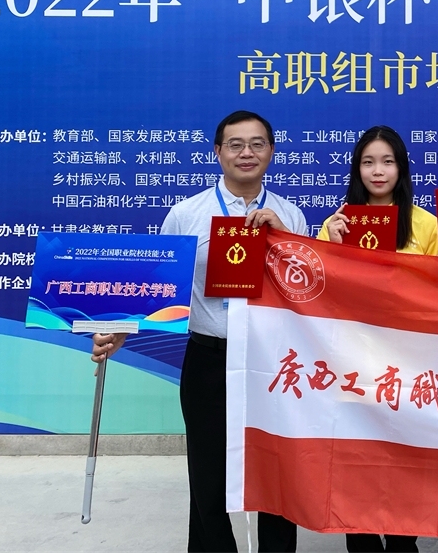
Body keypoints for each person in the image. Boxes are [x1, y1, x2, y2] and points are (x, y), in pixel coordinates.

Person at [92, 111, 307, 553]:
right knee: (208, 475)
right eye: (235, 144)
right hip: (211, 358)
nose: (246, 153)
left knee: (277, 472)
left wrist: (284, 238)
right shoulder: (187, 214)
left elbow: (306, 291)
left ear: (271, 151)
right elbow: (158, 286)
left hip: (273, 362)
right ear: (217, 152)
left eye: (257, 143)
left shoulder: (291, 214)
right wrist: (121, 332)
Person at [318, 125, 438, 553]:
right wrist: (334, 248)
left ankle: (404, 542)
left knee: (405, 461)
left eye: (387, 161)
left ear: (401, 168)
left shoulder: (426, 224)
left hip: (409, 364)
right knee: (358, 462)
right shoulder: (337, 222)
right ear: (357, 169)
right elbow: (320, 295)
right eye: (368, 162)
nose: (378, 171)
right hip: (354, 363)